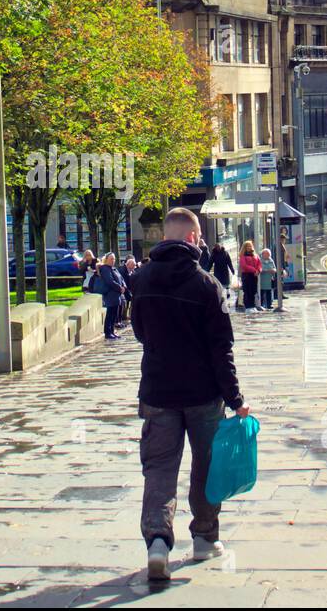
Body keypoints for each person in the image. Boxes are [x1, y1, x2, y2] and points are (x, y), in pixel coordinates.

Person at [127, 207, 249, 580]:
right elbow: (221, 349)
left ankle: (158, 542)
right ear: (193, 239)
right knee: (207, 465)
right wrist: (236, 399)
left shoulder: (141, 280)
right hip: (203, 394)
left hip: (158, 390)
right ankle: (204, 538)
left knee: (160, 468)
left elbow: (140, 333)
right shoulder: (207, 285)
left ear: (164, 237)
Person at [95, 253, 126, 339]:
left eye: (114, 259)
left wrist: (123, 286)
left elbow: (121, 278)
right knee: (110, 314)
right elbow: (109, 281)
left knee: (114, 314)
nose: (113, 260)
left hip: (116, 295)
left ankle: (112, 331)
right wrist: (119, 288)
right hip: (110, 294)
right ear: (106, 259)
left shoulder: (113, 269)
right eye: (111, 259)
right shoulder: (105, 269)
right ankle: (108, 333)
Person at [238, 240, 261, 312]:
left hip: (254, 275)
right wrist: (254, 270)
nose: (249, 247)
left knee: (253, 291)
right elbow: (244, 266)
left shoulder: (255, 255)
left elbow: (259, 264)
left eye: (250, 246)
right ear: (244, 247)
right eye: (247, 246)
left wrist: (258, 270)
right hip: (246, 275)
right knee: (247, 291)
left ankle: (253, 305)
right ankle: (248, 307)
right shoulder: (242, 256)